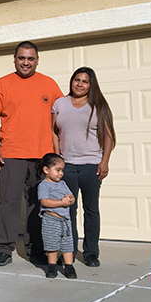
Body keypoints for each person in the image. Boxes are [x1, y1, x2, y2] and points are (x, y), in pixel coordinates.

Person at [0, 41, 64, 266]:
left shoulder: (49, 84)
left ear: (37, 60)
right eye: (21, 58)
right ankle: (3, 249)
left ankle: (36, 249)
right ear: (14, 59)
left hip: (42, 157)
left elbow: (58, 121)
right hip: (11, 153)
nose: (26, 62)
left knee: (37, 204)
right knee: (8, 203)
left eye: (30, 58)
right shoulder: (2, 84)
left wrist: (58, 156)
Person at [51, 67, 116, 268]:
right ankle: (68, 251)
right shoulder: (60, 103)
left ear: (91, 85)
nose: (79, 84)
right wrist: (57, 159)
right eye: (76, 80)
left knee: (91, 210)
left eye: (85, 81)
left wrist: (104, 162)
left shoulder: (98, 105)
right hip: (67, 165)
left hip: (91, 166)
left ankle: (90, 253)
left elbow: (109, 137)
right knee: (68, 210)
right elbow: (54, 132)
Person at [37, 153, 77, 279]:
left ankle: (69, 266)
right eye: (57, 170)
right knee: (52, 244)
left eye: (62, 170)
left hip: (65, 221)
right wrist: (61, 203)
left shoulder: (63, 184)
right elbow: (44, 201)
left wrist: (70, 200)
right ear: (46, 170)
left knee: (67, 244)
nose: (61, 173)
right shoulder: (43, 185)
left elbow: (71, 196)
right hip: (51, 219)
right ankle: (52, 266)